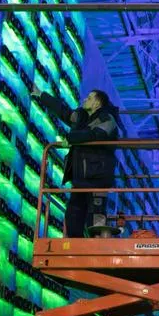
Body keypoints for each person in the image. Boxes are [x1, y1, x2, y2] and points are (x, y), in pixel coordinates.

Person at [31, 88, 121, 237]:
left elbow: (96, 134)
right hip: (80, 179)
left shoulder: (108, 119)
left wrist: (72, 138)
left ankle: (96, 251)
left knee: (96, 218)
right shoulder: (81, 117)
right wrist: (43, 95)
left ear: (98, 102)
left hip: (98, 179)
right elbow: (64, 112)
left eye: (90, 97)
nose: (85, 99)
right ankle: (74, 250)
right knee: (73, 217)